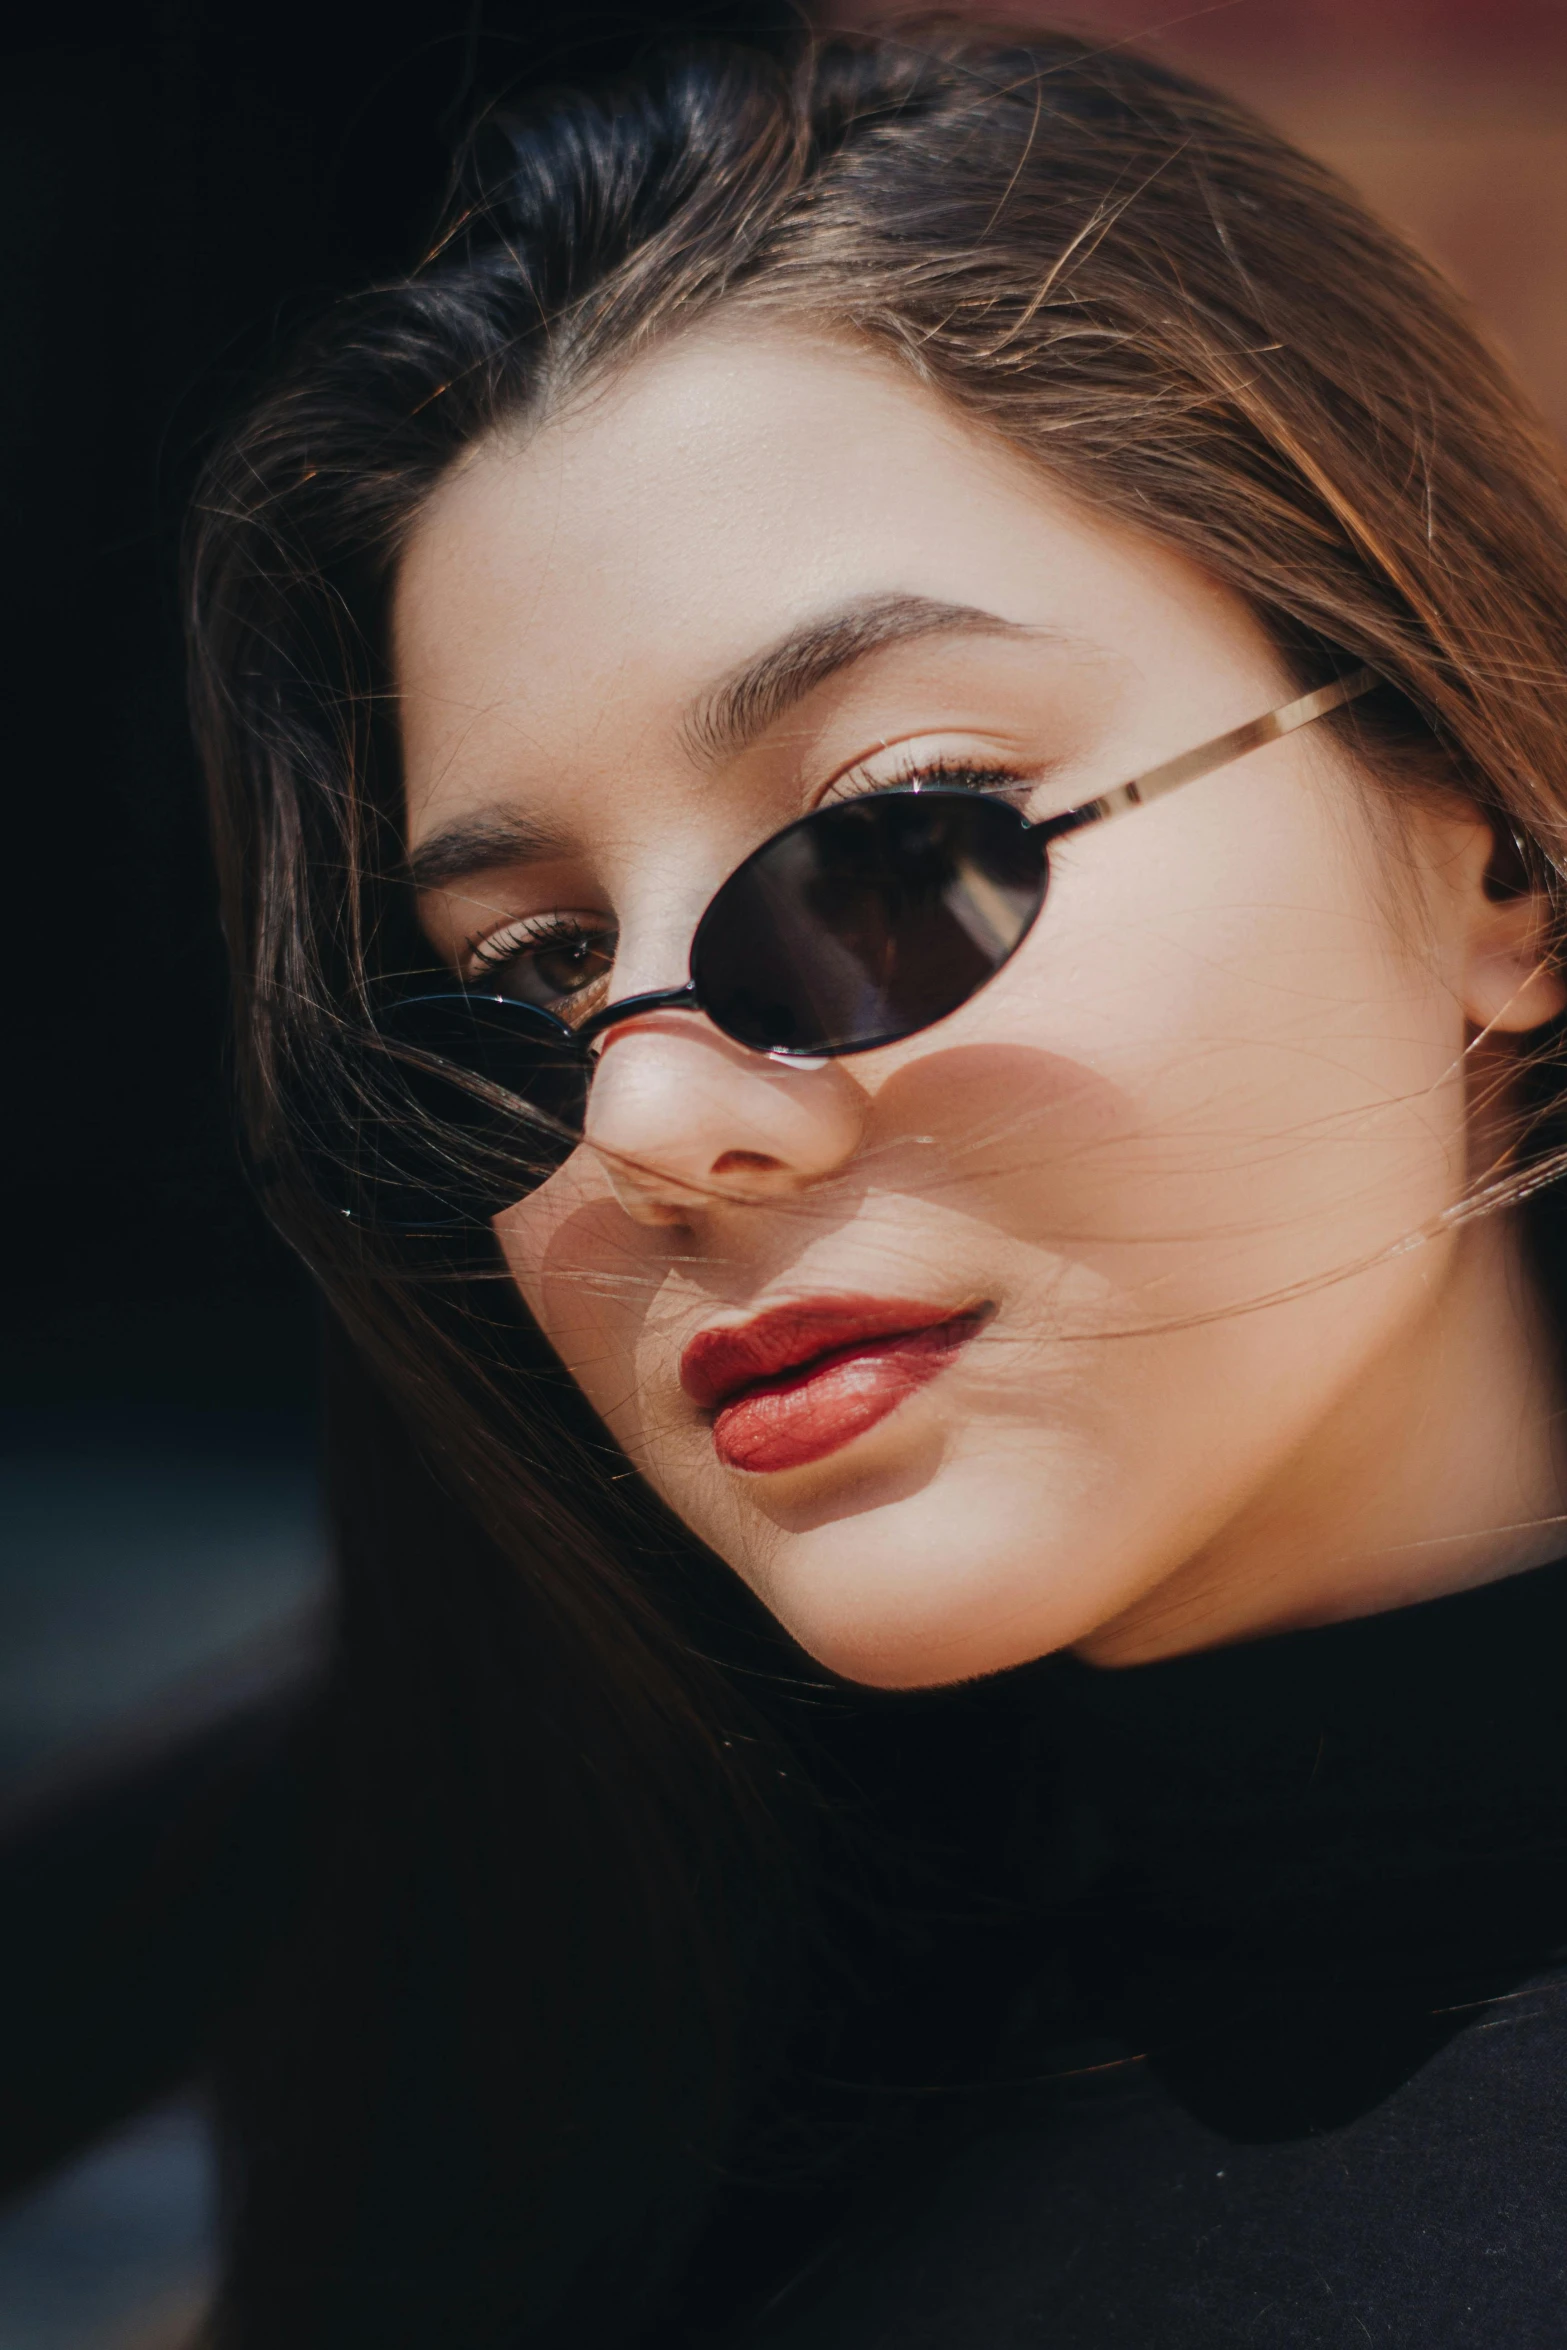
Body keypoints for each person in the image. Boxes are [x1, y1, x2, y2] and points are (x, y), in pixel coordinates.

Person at [179, 22, 1567, 2345]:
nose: (639, 1122)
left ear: (1489, 848)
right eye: (520, 984)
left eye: (895, 847)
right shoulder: (583, 2137)